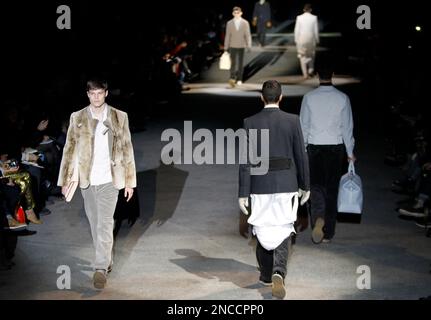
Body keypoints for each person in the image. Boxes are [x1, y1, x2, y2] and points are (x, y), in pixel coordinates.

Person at [58, 77, 137, 289]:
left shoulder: (119, 117)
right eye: (92, 94)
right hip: (87, 180)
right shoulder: (78, 117)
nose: (96, 97)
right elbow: (69, 149)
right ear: (87, 95)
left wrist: (129, 182)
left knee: (105, 223)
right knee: (95, 223)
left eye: (99, 93)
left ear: (106, 93)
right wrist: (65, 180)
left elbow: (127, 150)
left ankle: (100, 267)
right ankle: (106, 259)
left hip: (110, 179)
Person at [238, 80, 310, 299]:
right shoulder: (292, 121)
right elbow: (301, 155)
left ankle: (267, 274)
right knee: (283, 228)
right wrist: (305, 185)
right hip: (286, 184)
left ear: (261, 97)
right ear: (281, 97)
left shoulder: (250, 122)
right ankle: (279, 271)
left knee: (262, 230)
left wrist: (243, 193)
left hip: (260, 186)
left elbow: (245, 161)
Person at [299, 62, 356, 244]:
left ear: (317, 75)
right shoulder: (342, 98)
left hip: (314, 147)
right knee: (332, 190)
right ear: (332, 74)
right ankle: (328, 233)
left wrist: (302, 148)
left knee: (315, 188)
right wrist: (350, 152)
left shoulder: (309, 97)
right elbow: (347, 128)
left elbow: (304, 126)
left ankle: (317, 220)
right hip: (335, 148)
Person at [224, 6, 252, 87]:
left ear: (241, 13)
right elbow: (227, 36)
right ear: (233, 13)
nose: (236, 14)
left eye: (238, 13)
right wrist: (226, 47)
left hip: (241, 45)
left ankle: (239, 78)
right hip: (232, 45)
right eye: (235, 13)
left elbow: (248, 35)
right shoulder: (229, 23)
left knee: (240, 63)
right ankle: (232, 78)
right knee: (233, 63)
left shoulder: (245, 23)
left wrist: (249, 45)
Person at [294, 4, 319, 79]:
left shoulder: (299, 17)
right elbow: (315, 30)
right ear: (310, 10)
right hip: (311, 39)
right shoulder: (314, 18)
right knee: (311, 55)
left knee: (302, 56)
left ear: (304, 10)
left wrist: (296, 40)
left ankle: (305, 74)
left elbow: (297, 30)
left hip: (301, 39)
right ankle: (310, 70)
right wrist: (317, 40)